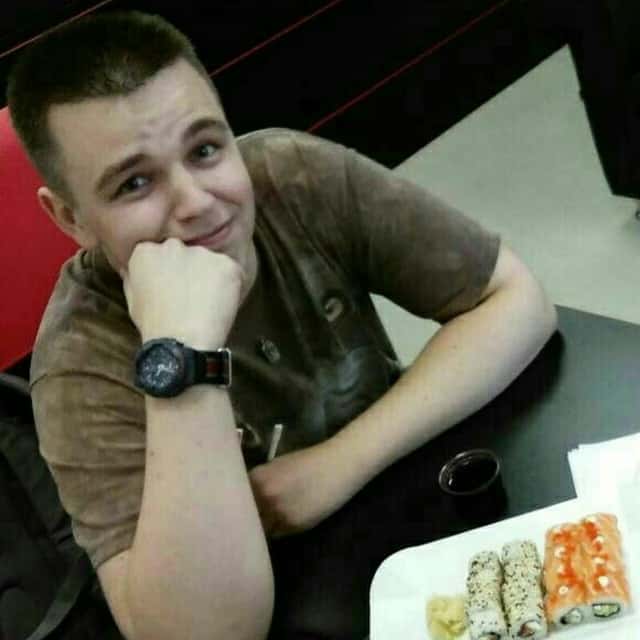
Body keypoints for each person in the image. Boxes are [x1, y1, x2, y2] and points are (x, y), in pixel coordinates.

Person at [7, 10, 557, 640]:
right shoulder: (77, 364)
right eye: (134, 183)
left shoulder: (290, 176)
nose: (197, 201)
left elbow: (514, 299)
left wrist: (336, 465)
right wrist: (182, 354)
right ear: (70, 218)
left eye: (206, 149)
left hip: (404, 515)